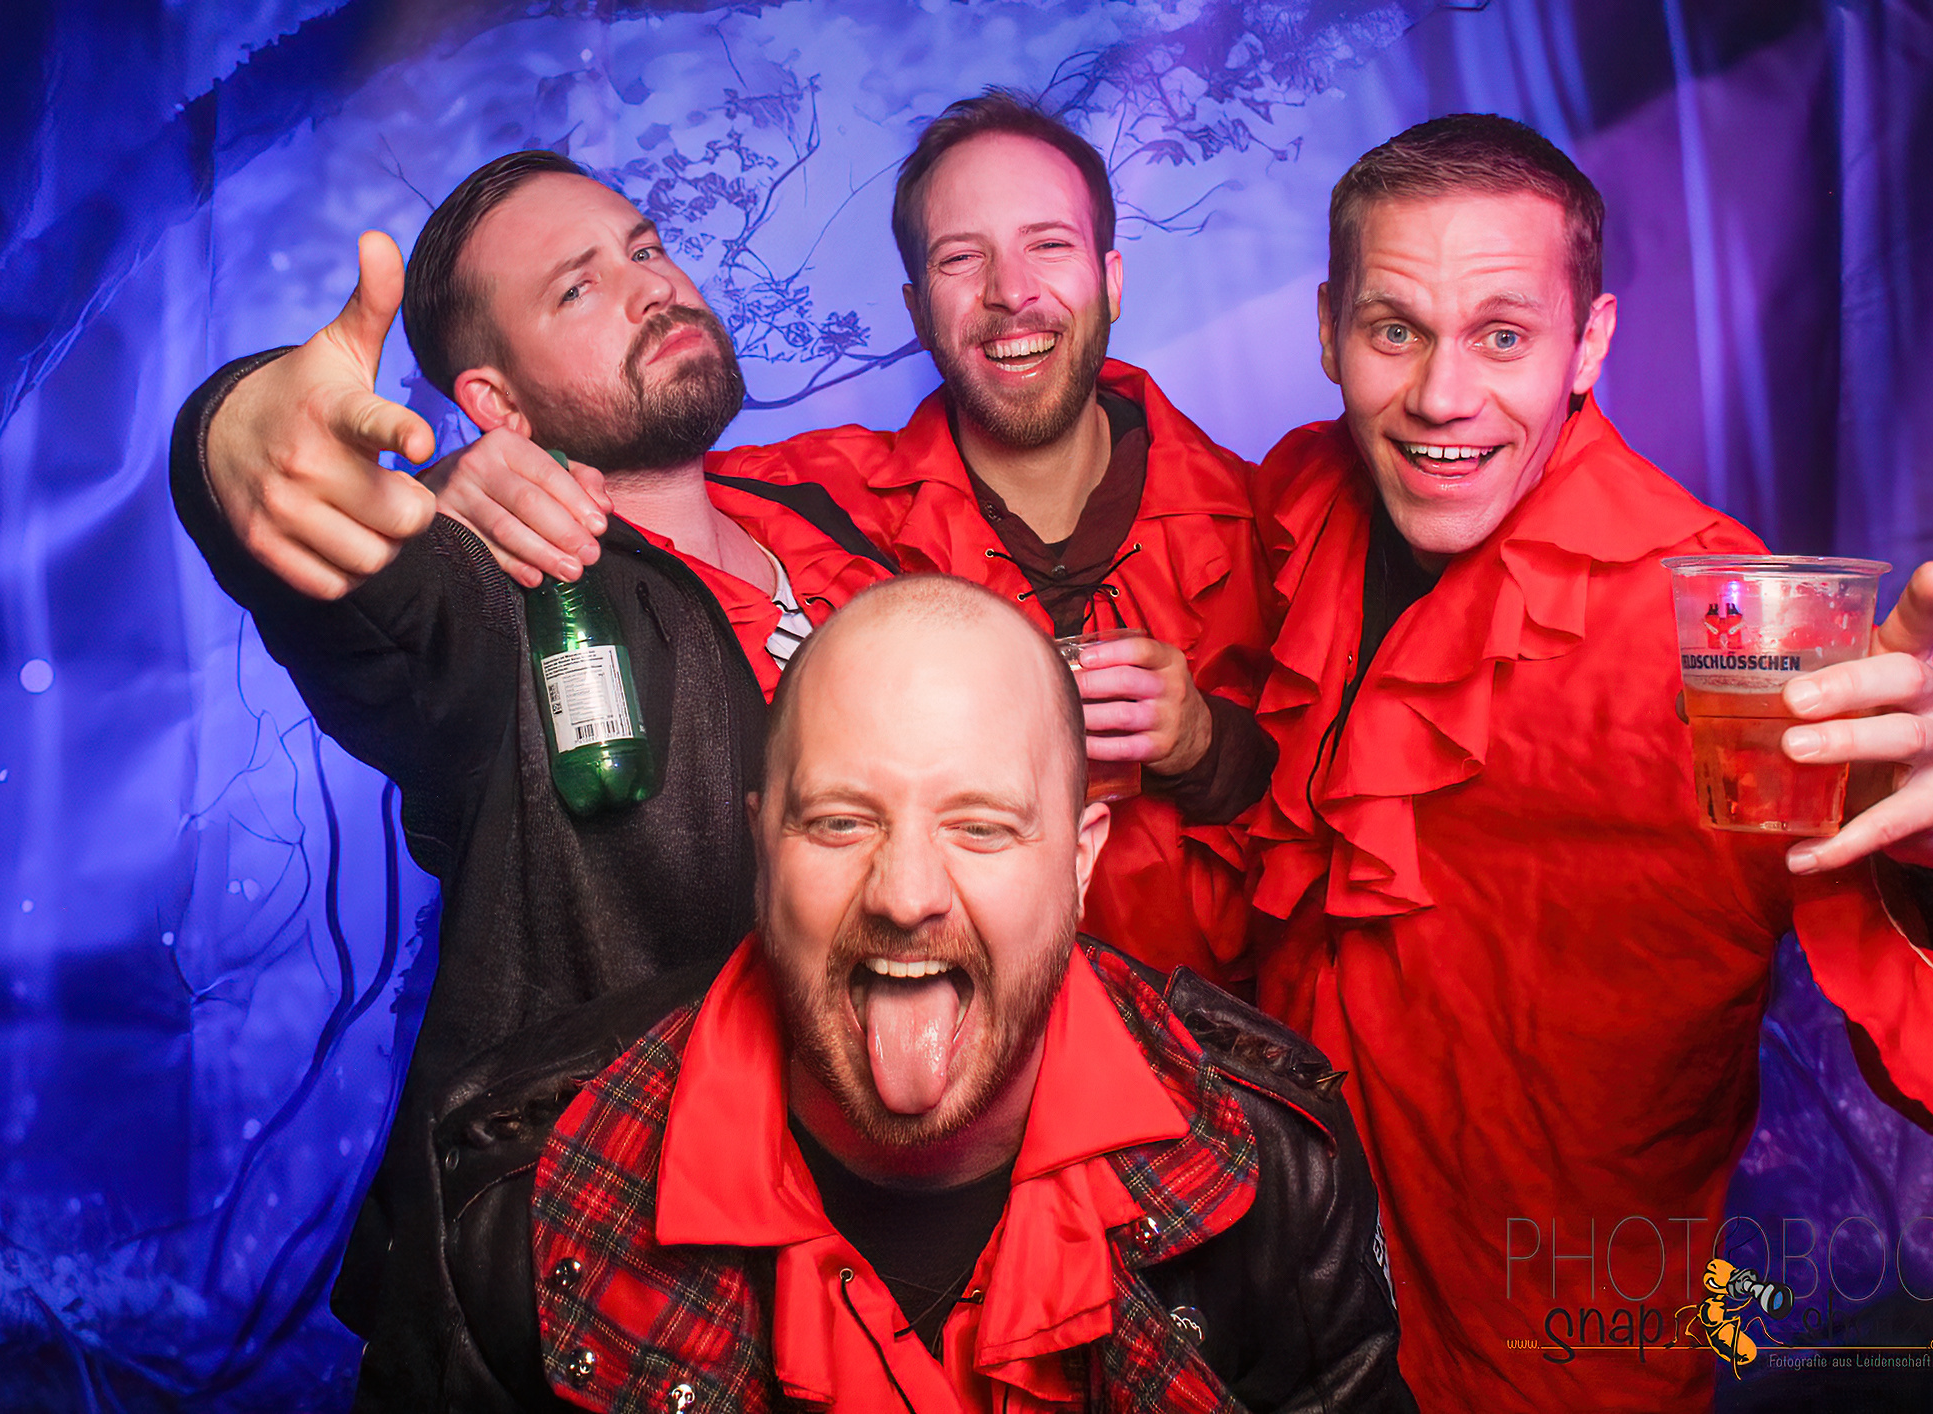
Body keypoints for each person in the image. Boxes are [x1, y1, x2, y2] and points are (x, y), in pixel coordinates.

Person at [1247, 112, 1933, 1412]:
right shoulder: (1299, 504)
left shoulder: (1722, 620)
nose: (1441, 396)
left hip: (1552, 1349)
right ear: (1328, 330)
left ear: (1588, 344)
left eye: (1502, 335)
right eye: (1394, 329)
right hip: (1289, 1306)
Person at [358, 575, 1415, 1413]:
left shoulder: (1278, 1161)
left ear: (1081, 859)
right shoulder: (506, 1201)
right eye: (839, 822)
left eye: (981, 826)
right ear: (763, 849)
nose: (907, 896)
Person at [169, 151, 893, 1332]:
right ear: (497, 406)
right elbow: (364, 583)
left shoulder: (839, 528)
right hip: (623, 1293)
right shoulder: (495, 596)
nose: (652, 284)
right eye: (577, 287)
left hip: (896, 1242)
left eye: (645, 247)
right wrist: (231, 433)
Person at [434, 92, 1282, 985]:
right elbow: (628, 474)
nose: (1011, 291)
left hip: (1201, 1028)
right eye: (961, 257)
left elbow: (1328, 820)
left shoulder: (1261, 511)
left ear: (1109, 279)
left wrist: (1201, 743)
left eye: (1049, 245)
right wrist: (450, 487)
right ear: (917, 308)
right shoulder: (815, 500)